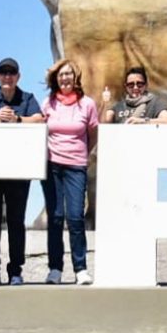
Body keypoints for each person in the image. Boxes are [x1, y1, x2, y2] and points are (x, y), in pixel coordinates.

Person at [0, 57, 44, 286]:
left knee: (16, 222)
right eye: (3, 72)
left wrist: (18, 118)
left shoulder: (28, 98)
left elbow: (39, 119)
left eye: (11, 73)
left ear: (18, 76)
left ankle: (15, 270)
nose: (7, 76)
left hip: (18, 170)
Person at [39, 58, 99, 285]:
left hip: (76, 166)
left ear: (76, 78)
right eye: (61, 74)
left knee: (75, 217)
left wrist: (86, 155)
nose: (65, 78)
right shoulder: (48, 103)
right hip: (51, 165)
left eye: (69, 74)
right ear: (56, 79)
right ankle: (55, 268)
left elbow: (93, 132)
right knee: (55, 217)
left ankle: (80, 268)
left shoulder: (87, 104)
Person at [101, 66, 167, 125]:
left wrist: (143, 121)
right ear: (126, 86)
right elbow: (103, 122)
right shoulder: (119, 105)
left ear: (146, 85)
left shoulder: (154, 103)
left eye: (139, 84)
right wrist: (104, 103)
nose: (135, 87)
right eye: (131, 85)